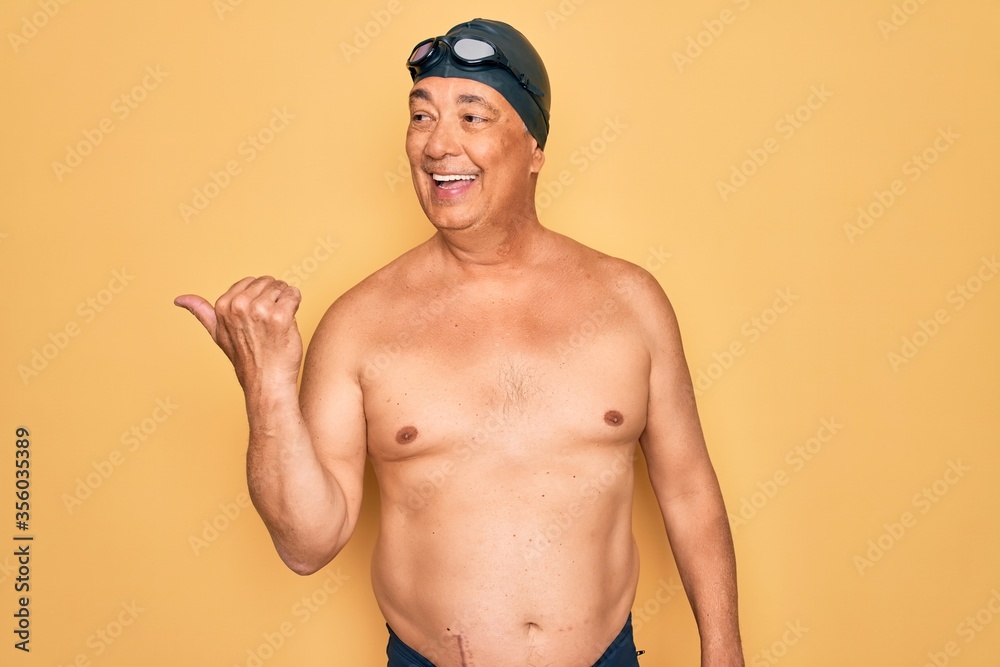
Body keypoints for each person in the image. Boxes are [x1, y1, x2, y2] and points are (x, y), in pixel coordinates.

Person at [175, 18, 744, 667]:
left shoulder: (631, 302)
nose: (439, 143)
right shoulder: (361, 322)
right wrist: (267, 387)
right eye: (422, 117)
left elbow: (690, 491)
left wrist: (722, 648)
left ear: (534, 147)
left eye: (473, 116)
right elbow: (308, 543)